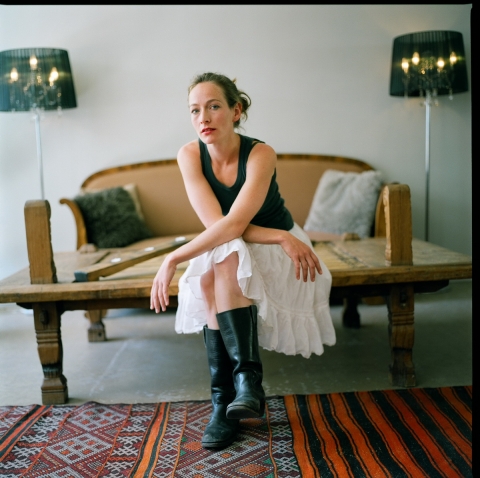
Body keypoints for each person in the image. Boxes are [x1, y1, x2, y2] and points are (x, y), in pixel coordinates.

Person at [150, 72, 336, 449]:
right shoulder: (189, 155)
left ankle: (229, 397)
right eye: (195, 110)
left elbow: (234, 224)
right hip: (250, 241)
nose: (203, 117)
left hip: (280, 247)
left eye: (214, 106)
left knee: (219, 265)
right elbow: (219, 226)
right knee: (216, 267)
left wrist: (174, 258)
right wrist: (275, 235)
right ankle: (241, 390)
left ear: (236, 111)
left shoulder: (260, 154)